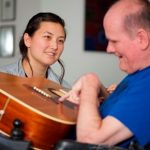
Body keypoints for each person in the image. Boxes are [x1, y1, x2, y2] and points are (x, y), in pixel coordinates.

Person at [59, 0, 150, 149]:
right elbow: (122, 112)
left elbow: (89, 141)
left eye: (114, 41)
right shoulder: (139, 74)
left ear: (141, 39)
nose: (108, 49)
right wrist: (98, 91)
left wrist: (90, 82)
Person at [0, 12, 69, 87]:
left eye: (60, 41)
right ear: (27, 40)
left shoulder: (65, 89)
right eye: (47, 37)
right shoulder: (2, 79)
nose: (55, 46)